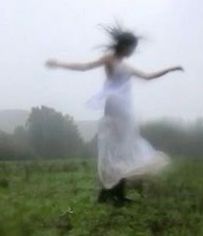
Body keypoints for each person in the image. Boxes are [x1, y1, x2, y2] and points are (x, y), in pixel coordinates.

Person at [46, 25, 184, 206]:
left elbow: (148, 76)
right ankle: (112, 195)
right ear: (124, 46)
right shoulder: (109, 59)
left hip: (126, 111)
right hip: (115, 109)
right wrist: (59, 64)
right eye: (132, 48)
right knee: (116, 151)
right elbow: (84, 66)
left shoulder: (127, 66)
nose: (133, 51)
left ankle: (112, 194)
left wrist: (170, 69)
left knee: (123, 151)